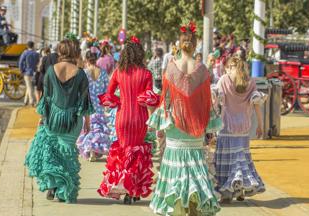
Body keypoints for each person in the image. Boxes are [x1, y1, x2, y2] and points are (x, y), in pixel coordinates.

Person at [149, 21, 220, 216]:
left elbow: (166, 101)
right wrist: (209, 129)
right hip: (195, 127)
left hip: (175, 126)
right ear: (195, 45)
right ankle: (195, 209)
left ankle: (177, 208)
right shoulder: (203, 70)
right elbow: (207, 103)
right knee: (196, 172)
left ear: (180, 44)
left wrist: (160, 127)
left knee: (176, 173)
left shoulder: (171, 69)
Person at [25, 39, 93, 203]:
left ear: (60, 52)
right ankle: (64, 189)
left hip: (53, 118)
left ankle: (52, 185)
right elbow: (85, 100)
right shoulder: (80, 73)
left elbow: (46, 99)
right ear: (75, 52)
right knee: (67, 154)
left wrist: (42, 119)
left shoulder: (50, 71)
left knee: (53, 153)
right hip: (72, 120)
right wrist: (88, 123)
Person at [97, 36, 160, 203]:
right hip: (140, 118)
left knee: (124, 152)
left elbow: (108, 95)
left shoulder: (118, 72)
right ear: (140, 55)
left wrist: (118, 101)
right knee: (137, 153)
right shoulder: (146, 73)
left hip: (123, 117)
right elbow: (149, 99)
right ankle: (133, 190)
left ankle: (123, 187)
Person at [215, 57, 266, 203]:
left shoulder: (224, 80)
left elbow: (215, 103)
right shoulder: (250, 82)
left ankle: (227, 192)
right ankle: (240, 189)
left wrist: (210, 124)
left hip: (226, 127)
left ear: (230, 67)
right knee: (241, 158)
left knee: (227, 160)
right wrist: (260, 126)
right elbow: (256, 105)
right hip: (244, 127)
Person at [77, 51, 111, 161]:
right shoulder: (103, 73)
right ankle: (95, 151)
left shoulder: (84, 73)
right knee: (98, 128)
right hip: (100, 104)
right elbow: (107, 90)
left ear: (86, 60)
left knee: (89, 127)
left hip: (88, 104)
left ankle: (91, 151)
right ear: (96, 59)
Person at [19, 41, 40, 106]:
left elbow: (21, 62)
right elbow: (38, 62)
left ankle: (31, 101)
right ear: (33, 46)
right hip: (34, 72)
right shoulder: (36, 54)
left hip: (27, 72)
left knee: (29, 87)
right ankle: (25, 101)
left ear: (27, 46)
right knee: (30, 87)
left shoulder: (25, 53)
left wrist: (21, 70)